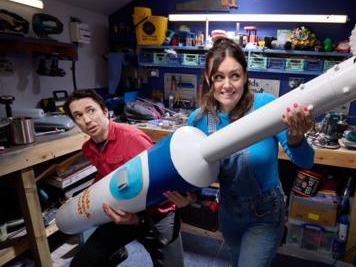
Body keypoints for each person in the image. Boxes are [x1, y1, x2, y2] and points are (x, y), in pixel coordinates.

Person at [188, 38, 315, 267]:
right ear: (209, 79)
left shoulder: (266, 107)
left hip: (265, 214)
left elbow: (306, 160)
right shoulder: (198, 120)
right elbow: (193, 172)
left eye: (234, 75)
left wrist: (296, 138)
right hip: (228, 212)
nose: (227, 85)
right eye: (219, 77)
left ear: (245, 77)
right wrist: (185, 195)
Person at [64, 89, 193, 267]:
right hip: (121, 212)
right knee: (82, 264)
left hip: (155, 213)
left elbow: (160, 186)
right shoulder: (89, 148)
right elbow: (104, 176)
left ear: (104, 110)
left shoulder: (133, 139)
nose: (86, 120)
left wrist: (138, 219)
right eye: (78, 115)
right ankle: (117, 253)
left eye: (90, 110)